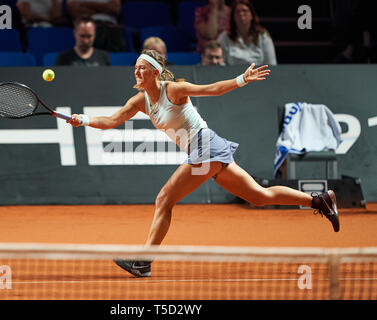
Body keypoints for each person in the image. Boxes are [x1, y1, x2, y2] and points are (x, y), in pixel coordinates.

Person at [66, 49, 340, 277]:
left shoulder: (174, 89)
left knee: (164, 199)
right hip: (207, 149)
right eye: (135, 68)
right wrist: (83, 120)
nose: (136, 72)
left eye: (142, 68)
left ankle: (144, 261)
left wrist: (241, 79)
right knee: (259, 196)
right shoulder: (139, 101)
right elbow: (112, 121)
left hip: (205, 145)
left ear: (155, 72)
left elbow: (212, 89)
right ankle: (319, 200)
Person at [217, 0, 277, 66]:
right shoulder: (224, 37)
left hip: (257, 75)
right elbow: (221, 63)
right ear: (233, 17)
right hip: (233, 75)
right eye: (237, 12)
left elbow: (271, 64)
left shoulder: (263, 36)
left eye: (244, 10)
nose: (241, 14)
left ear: (252, 15)